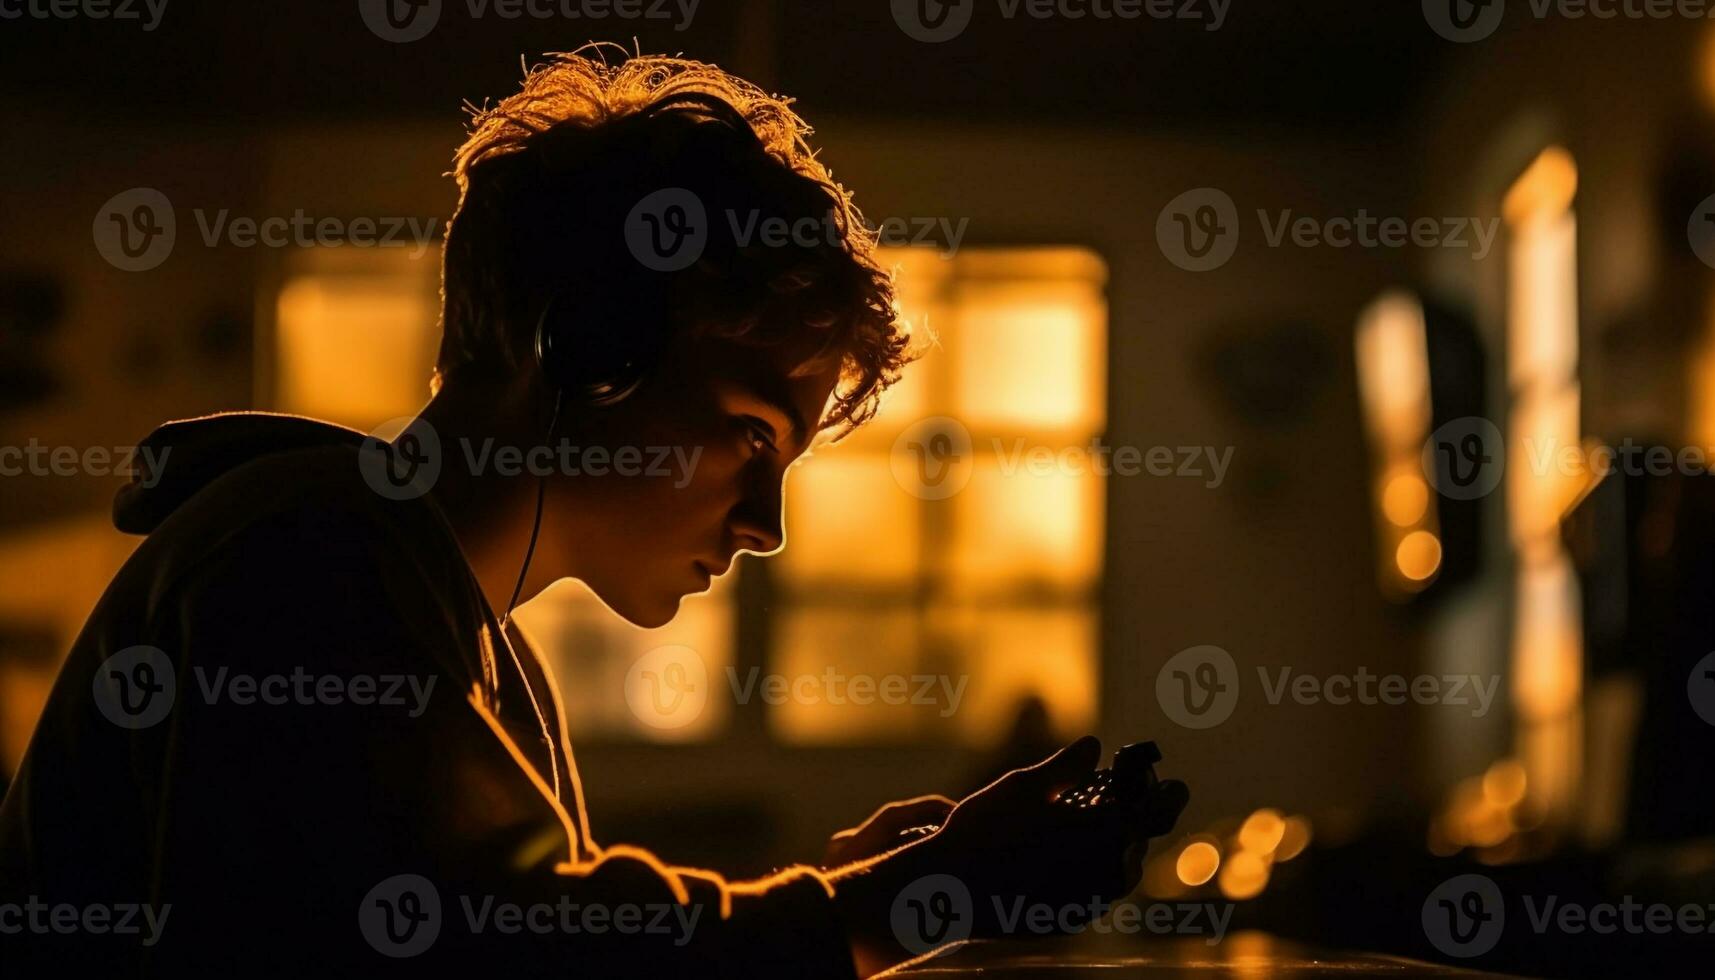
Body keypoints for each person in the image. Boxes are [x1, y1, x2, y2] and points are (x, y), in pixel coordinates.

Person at [0, 50, 1187, 977]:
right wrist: (881, 908)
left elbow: (522, 941)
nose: (768, 519)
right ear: (586, 346)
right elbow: (474, 962)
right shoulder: (300, 562)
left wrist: (847, 900)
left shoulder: (475, 646)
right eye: (750, 432)